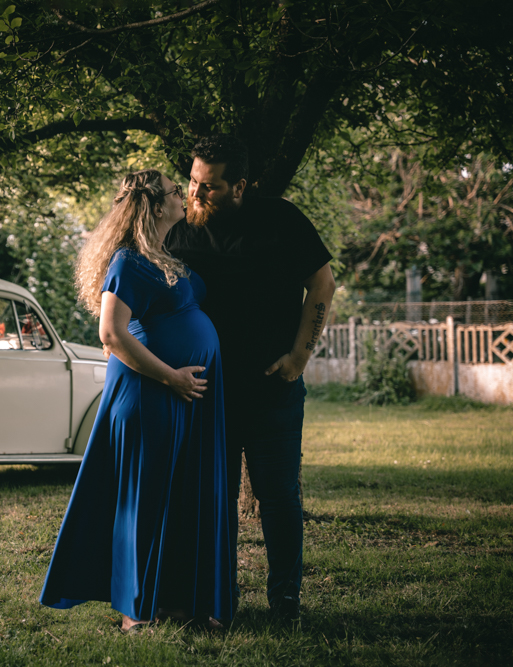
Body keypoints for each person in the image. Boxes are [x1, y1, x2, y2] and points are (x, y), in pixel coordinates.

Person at [39, 169, 236, 632]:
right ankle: (135, 611)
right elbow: (110, 334)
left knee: (181, 500)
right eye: (173, 191)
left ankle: (174, 601)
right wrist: (171, 378)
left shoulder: (169, 257)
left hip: (184, 396)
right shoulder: (127, 262)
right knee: (144, 502)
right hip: (151, 394)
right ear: (153, 205)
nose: (182, 196)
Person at [164, 134, 336, 623]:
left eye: (210, 187)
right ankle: (220, 599)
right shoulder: (178, 231)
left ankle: (285, 600)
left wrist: (300, 357)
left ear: (239, 186)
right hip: (206, 394)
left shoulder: (280, 219)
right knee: (213, 501)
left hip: (272, 389)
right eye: (193, 183)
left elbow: (321, 281)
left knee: (278, 496)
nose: (196, 195)